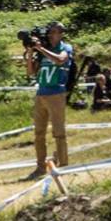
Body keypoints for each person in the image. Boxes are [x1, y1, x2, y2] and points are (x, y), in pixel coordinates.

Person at [27, 21, 75, 177]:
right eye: (49, 32)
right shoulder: (43, 51)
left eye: (54, 32)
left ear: (61, 33)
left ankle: (63, 164)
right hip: (41, 93)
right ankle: (40, 166)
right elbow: (31, 72)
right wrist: (30, 53)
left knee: (58, 132)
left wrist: (41, 49)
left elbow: (61, 60)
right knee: (39, 133)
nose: (50, 34)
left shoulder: (65, 48)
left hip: (56, 93)